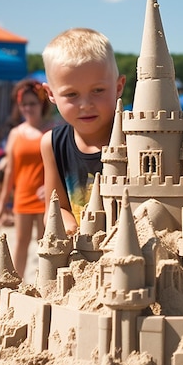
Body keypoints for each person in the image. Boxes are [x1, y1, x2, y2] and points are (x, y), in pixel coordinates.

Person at [40, 28, 126, 234]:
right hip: (84, 255)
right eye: (71, 94)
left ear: (119, 86)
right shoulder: (52, 144)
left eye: (98, 90)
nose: (86, 104)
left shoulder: (137, 135)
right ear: (50, 94)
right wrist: (68, 226)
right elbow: (55, 207)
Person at [0, 79, 52, 278]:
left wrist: (52, 187)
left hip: (47, 196)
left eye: (32, 103)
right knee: (20, 243)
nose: (28, 108)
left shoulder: (53, 130)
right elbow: (10, 170)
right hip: (22, 195)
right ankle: (16, 284)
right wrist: (2, 203)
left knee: (45, 242)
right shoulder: (15, 133)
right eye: (23, 104)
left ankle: (45, 283)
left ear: (41, 104)